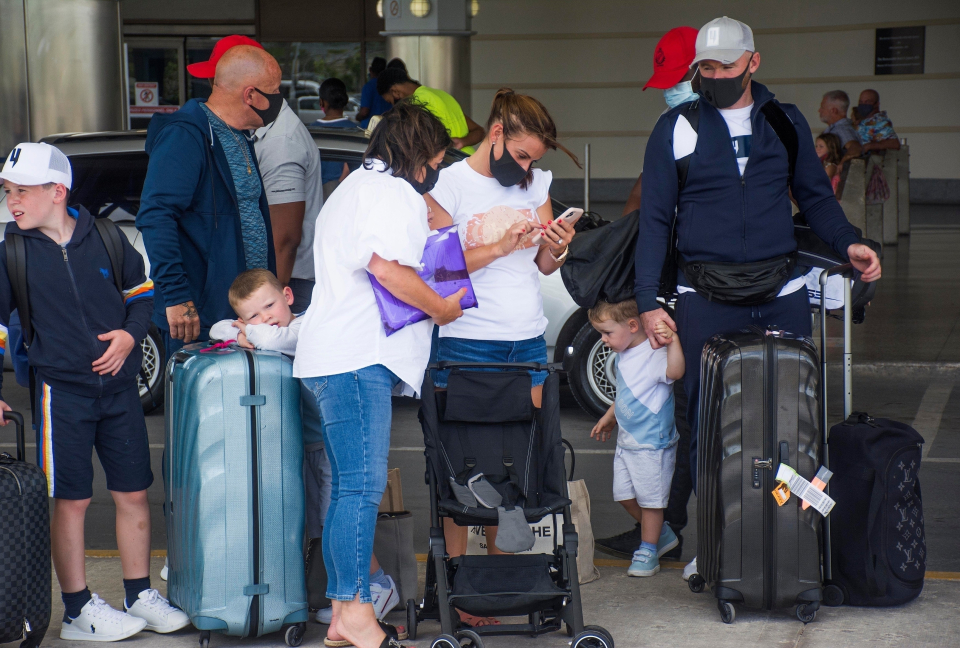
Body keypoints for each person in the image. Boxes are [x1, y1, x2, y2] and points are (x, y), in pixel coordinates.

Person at [635, 16, 882, 580]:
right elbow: (654, 220)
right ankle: (718, 544)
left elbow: (816, 201)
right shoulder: (678, 127)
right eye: (705, 68)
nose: (714, 76)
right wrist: (649, 298)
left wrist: (852, 244)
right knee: (708, 422)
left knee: (792, 421)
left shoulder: (786, 121)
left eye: (724, 66)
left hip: (781, 292)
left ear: (753, 61)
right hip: (705, 294)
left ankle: (789, 540)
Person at [0, 143, 189, 640]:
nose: (11, 201)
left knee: (133, 493)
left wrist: (130, 334)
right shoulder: (12, 251)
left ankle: (138, 593)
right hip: (59, 394)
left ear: (57, 192)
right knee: (73, 499)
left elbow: (140, 294)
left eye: (21, 191)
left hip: (120, 391)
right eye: (7, 191)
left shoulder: (105, 236)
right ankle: (78, 609)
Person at [294, 101, 465, 648]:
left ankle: (348, 614)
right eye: (435, 160)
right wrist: (442, 310)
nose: (434, 172)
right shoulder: (389, 193)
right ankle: (354, 609)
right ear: (418, 158)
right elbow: (389, 270)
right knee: (359, 488)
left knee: (350, 487)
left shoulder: (357, 187)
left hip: (336, 356)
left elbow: (414, 241)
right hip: (356, 357)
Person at [425, 88, 579, 626]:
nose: (527, 168)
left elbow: (543, 266)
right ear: (495, 134)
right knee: (463, 465)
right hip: (467, 339)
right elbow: (439, 271)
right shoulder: (449, 183)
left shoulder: (537, 183)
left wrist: (556, 242)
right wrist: (498, 246)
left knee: (516, 462)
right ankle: (458, 593)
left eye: (534, 160)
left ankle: (502, 585)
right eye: (520, 156)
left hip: (527, 338)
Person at [209, 270, 404, 636]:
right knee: (319, 524)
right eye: (253, 315)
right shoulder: (265, 331)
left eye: (270, 305)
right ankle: (347, 596)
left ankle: (375, 586)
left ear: (288, 296)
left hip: (335, 444)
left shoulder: (307, 326)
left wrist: (248, 331)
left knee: (339, 518)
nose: (265, 317)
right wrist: (238, 330)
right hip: (306, 447)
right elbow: (217, 329)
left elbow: (276, 336)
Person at [596, 26, 698, 561]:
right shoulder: (682, 124)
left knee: (685, 421)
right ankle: (664, 528)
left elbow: (642, 202)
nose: (670, 90)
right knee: (688, 418)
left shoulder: (684, 125)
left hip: (693, 290)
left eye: (676, 78)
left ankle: (663, 530)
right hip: (685, 286)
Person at [138, 45, 281, 362]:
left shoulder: (239, 135)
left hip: (243, 316)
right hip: (202, 318)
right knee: (208, 410)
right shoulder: (186, 136)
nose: (279, 99)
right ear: (250, 95)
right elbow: (156, 215)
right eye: (274, 91)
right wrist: (177, 296)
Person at [588, 300, 685, 577]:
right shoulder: (624, 352)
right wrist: (612, 414)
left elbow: (675, 372)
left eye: (607, 333)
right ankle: (661, 534)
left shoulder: (653, 353)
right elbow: (629, 392)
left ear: (632, 326)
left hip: (651, 445)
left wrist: (674, 341)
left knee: (650, 501)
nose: (603, 340)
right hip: (628, 441)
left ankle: (648, 550)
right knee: (624, 496)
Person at [377, 67, 485, 153]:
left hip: (446, 168)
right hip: (469, 162)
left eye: (390, 101)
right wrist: (462, 142)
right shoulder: (442, 94)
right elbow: (479, 131)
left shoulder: (414, 104)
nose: (393, 105)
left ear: (395, 92)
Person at [313, 78, 361, 200]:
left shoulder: (310, 131)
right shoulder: (356, 131)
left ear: (321, 102)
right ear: (345, 102)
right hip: (345, 194)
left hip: (315, 194)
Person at [818, 90, 863, 161]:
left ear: (833, 111)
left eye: (822, 107)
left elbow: (855, 147)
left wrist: (842, 162)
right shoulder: (838, 127)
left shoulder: (842, 129)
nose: (819, 110)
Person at [856, 89, 901, 153]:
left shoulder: (880, 122)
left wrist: (869, 146)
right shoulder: (862, 121)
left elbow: (894, 143)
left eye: (867, 102)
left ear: (877, 104)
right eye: (861, 102)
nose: (863, 104)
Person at [357, 57, 392, 128]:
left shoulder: (368, 87)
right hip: (388, 125)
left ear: (370, 70)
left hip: (370, 127)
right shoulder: (390, 86)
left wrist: (358, 117)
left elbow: (364, 112)